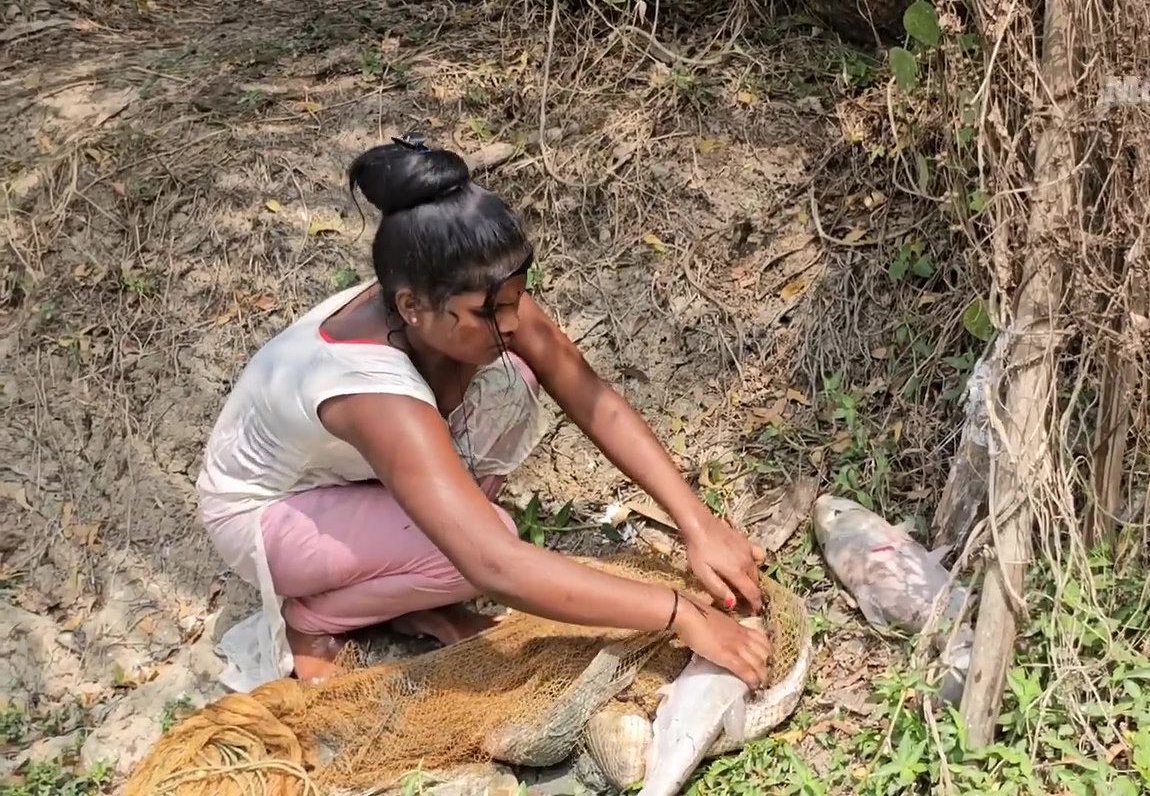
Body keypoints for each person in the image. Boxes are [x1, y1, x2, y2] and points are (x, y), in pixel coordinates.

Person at [196, 133, 772, 691]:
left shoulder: (470, 288)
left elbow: (590, 396)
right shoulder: (371, 391)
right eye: (489, 312)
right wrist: (683, 614)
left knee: (514, 372)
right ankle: (316, 620)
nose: (513, 321)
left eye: (516, 300)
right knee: (477, 548)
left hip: (352, 478)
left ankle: (408, 589)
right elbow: (496, 566)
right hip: (269, 516)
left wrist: (697, 524)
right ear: (411, 307)